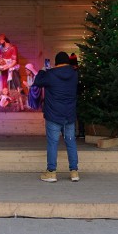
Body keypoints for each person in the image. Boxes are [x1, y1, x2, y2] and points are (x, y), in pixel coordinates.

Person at [32, 51, 80, 183]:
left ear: (56, 63)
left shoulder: (51, 74)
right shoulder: (75, 74)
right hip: (69, 115)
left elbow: (37, 82)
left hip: (54, 115)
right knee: (71, 142)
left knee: (52, 143)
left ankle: (51, 173)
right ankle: (74, 172)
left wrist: (42, 70)